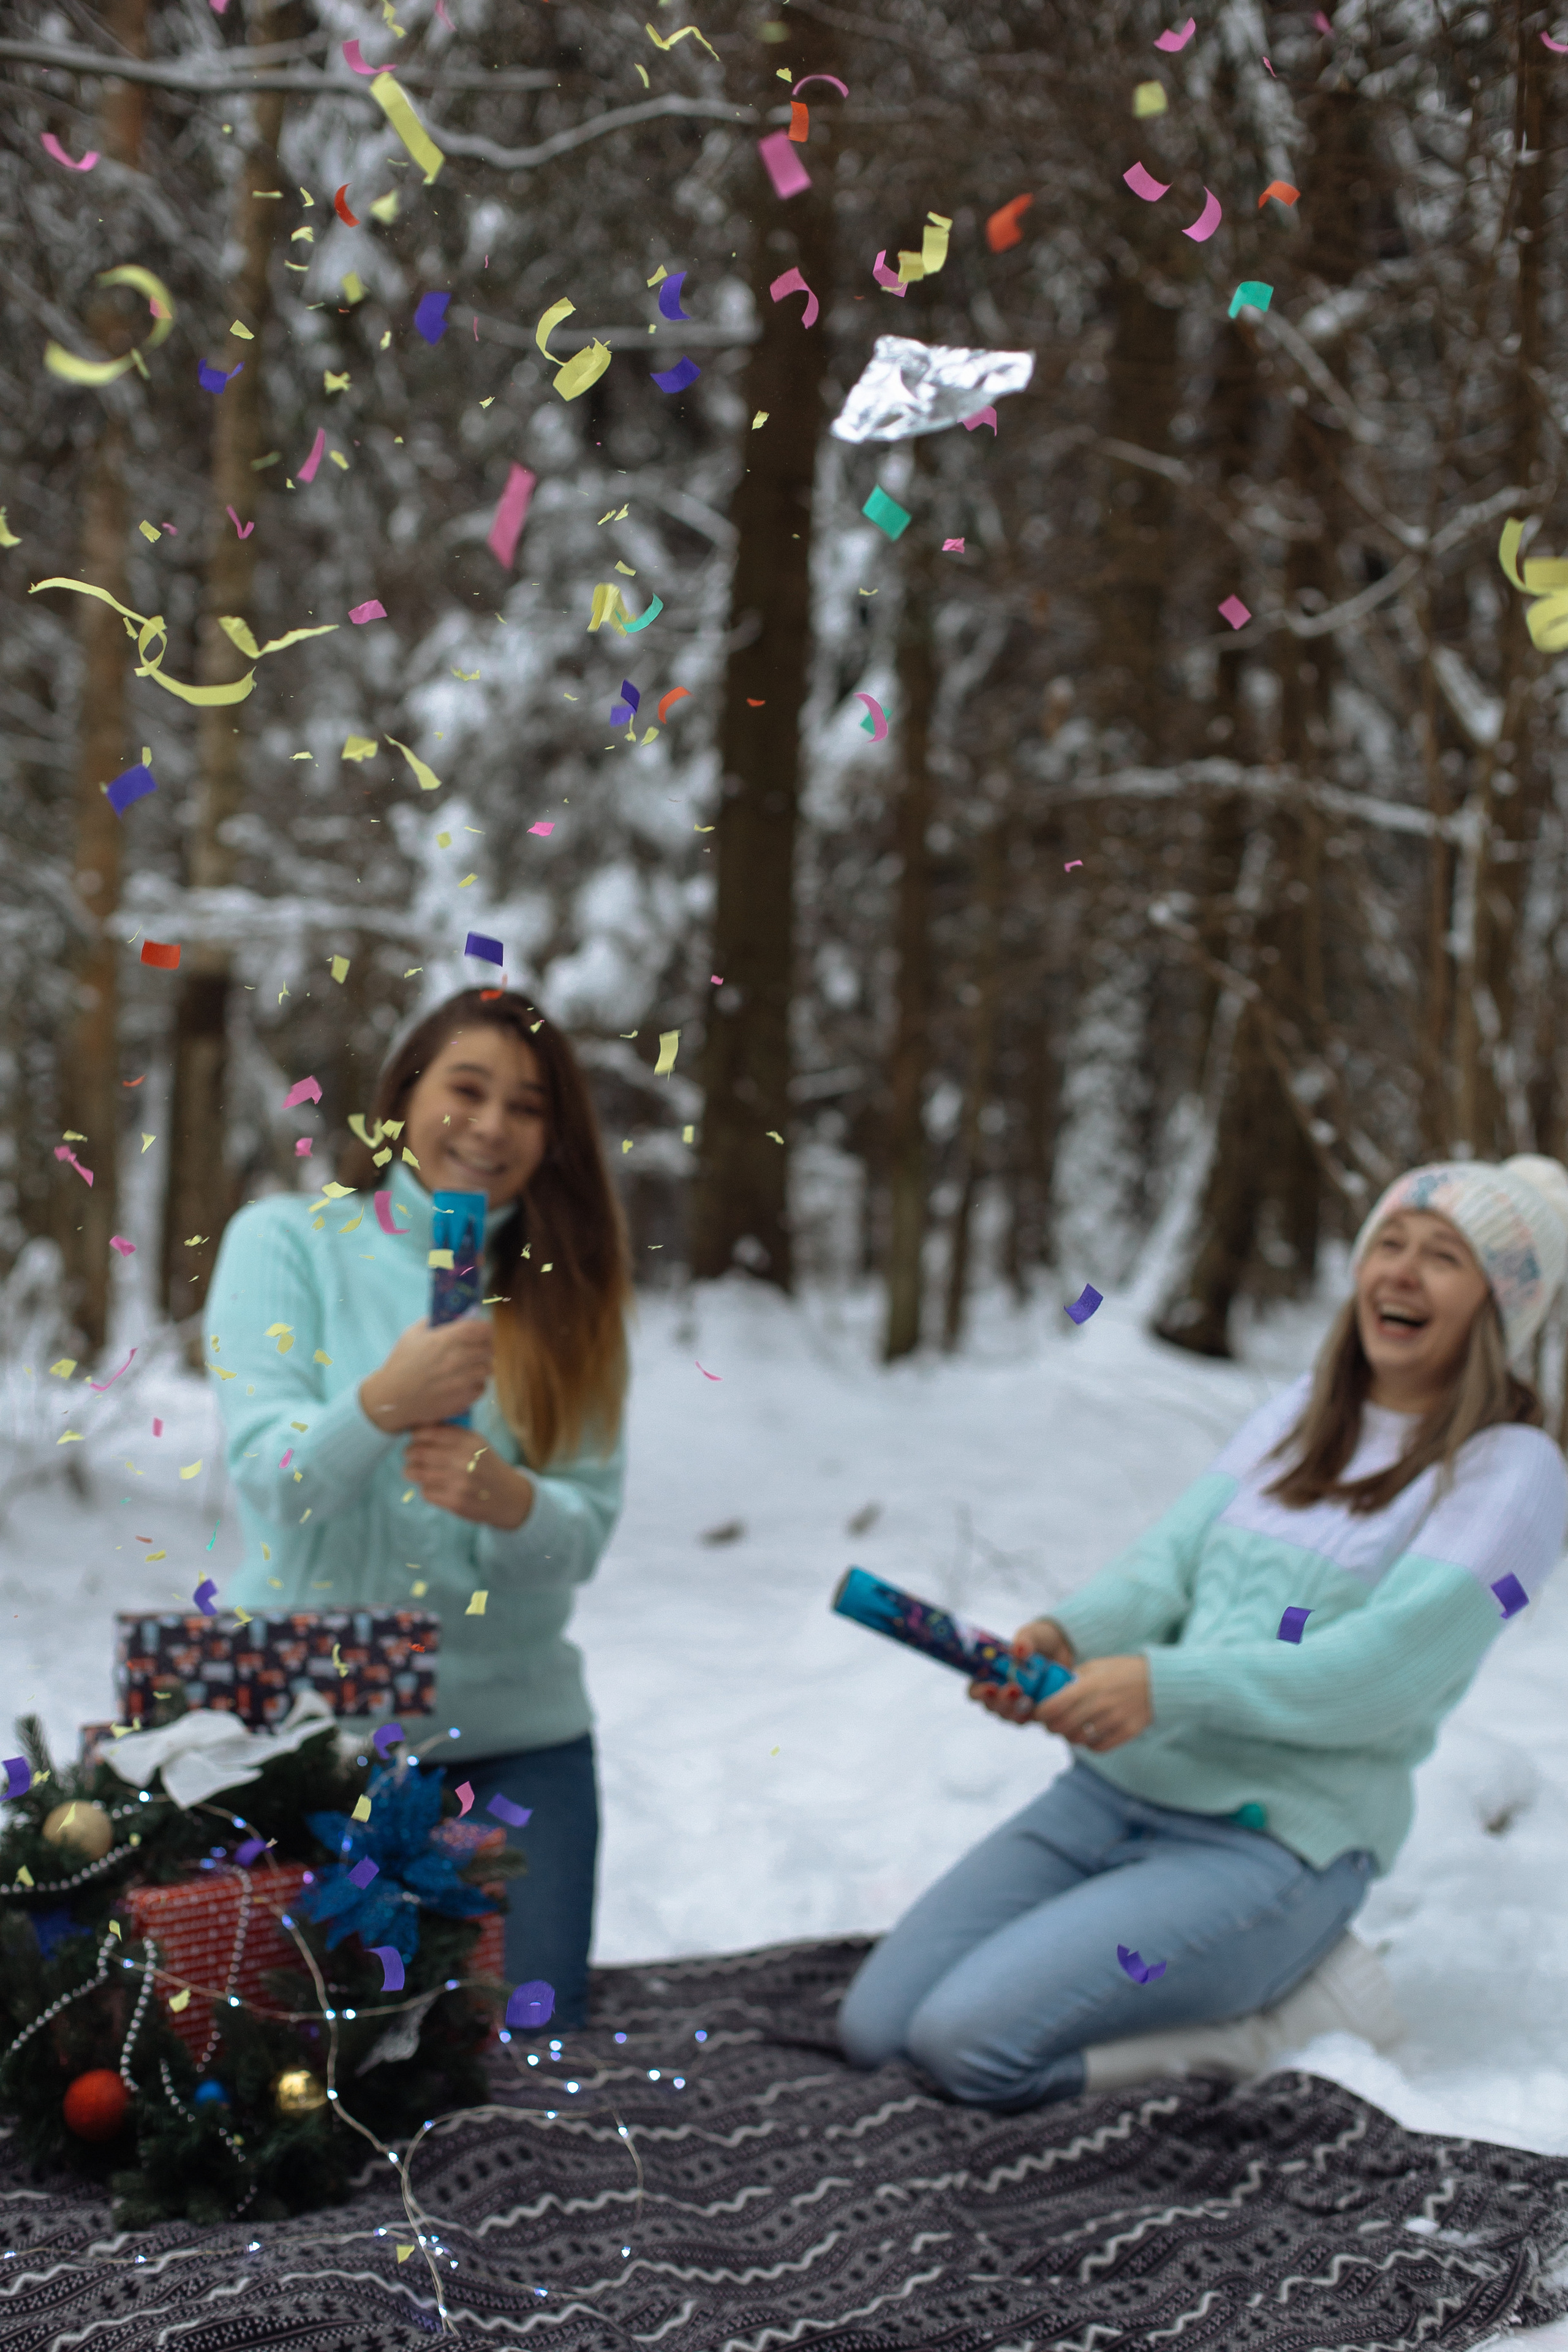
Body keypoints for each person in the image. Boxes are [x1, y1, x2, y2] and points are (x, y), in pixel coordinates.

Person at [839, 1155, 1568, 2108]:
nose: (1400, 1271)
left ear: (1498, 1310)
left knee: (970, 2047)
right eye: (1388, 1242)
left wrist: (1160, 1685)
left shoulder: (1515, 1473)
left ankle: (1278, 2020)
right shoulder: (1296, 1419)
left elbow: (1378, 1676)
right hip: (1108, 1800)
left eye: (1445, 1259)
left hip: (1266, 1850)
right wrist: (1065, 1637)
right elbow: (1166, 1566)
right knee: (876, 2029)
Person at [206, 990, 633, 2030]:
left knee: (524, 2042)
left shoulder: (565, 1296)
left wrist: (512, 1502)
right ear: (405, 1098)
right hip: (307, 1737)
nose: (491, 1128)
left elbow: (582, 1538)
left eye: (528, 1108)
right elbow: (272, 1481)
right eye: (468, 1089)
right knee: (298, 2065)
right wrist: (380, 1406)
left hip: (510, 1740)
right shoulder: (287, 1242)